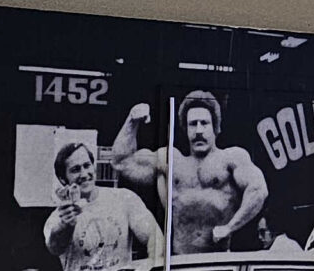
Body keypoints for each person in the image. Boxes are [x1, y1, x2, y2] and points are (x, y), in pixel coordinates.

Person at [112, 91, 270, 253]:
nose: (199, 130)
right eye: (193, 124)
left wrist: (229, 227)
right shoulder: (171, 160)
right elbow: (122, 162)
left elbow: (258, 190)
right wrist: (132, 120)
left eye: (204, 123)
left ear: (215, 128)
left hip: (219, 260)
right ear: (185, 129)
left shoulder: (231, 158)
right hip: (181, 261)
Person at [43, 139, 164, 271]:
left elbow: (154, 237)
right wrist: (66, 225)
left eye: (87, 165)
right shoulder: (59, 216)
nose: (84, 174)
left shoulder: (123, 199)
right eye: (75, 170)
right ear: (64, 179)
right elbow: (55, 246)